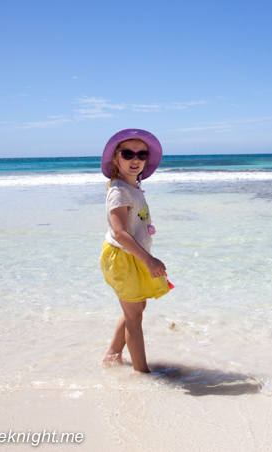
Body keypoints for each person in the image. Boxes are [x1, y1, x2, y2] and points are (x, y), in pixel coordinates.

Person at [99, 128, 173, 373]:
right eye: (128, 153)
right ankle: (143, 374)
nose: (135, 159)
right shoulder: (119, 191)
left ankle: (112, 354)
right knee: (134, 317)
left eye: (141, 155)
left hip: (134, 254)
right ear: (115, 158)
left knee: (136, 308)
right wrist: (149, 260)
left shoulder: (133, 187)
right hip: (124, 257)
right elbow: (120, 233)